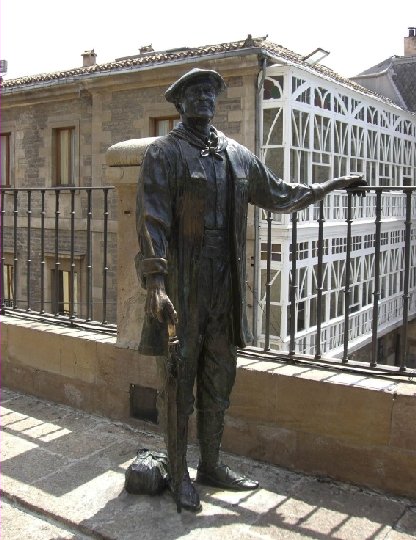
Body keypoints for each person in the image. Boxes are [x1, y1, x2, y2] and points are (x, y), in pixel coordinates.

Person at [135, 68, 365, 512]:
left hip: (226, 285)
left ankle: (211, 465)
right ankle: (179, 473)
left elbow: (280, 194)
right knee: (179, 379)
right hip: (184, 286)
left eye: (211, 92)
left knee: (220, 375)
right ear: (179, 103)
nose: (205, 98)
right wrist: (156, 284)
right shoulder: (164, 154)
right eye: (195, 92)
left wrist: (332, 185)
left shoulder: (237, 155)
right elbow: (151, 221)